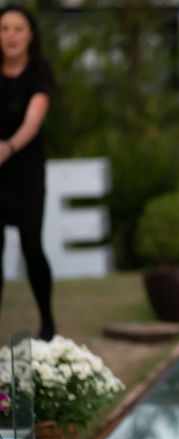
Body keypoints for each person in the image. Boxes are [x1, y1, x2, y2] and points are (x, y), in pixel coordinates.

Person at [0, 5, 56, 340]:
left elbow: (33, 121)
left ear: (30, 34)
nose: (11, 35)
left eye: (17, 29)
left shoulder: (39, 73)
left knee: (31, 245)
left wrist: (6, 148)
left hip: (26, 173)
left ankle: (48, 324)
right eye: (4, 28)